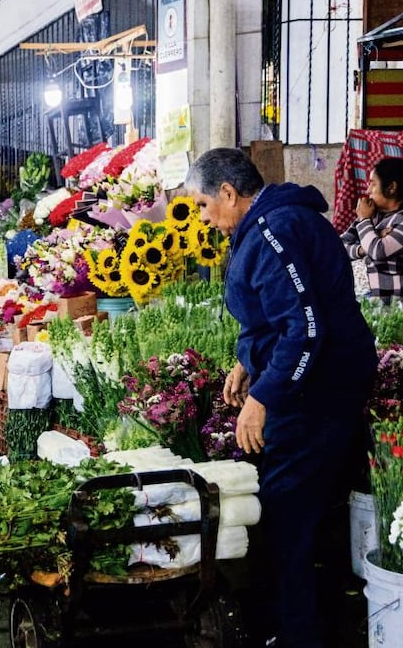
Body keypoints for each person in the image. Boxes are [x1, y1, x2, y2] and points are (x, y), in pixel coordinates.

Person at [187, 148, 376, 648]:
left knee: (288, 515)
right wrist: (248, 362)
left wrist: (263, 397)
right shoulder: (272, 223)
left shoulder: (275, 230)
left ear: (229, 192)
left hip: (317, 392)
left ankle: (299, 636)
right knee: (310, 512)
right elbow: (276, 316)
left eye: (203, 205)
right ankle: (318, 623)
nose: (203, 218)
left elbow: (305, 328)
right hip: (315, 384)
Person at [340, 156, 403, 303]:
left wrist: (363, 219)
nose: (368, 191)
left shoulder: (368, 218)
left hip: (398, 309)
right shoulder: (372, 216)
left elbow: (377, 251)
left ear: (391, 187)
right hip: (374, 306)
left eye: (372, 184)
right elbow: (338, 247)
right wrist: (363, 248)